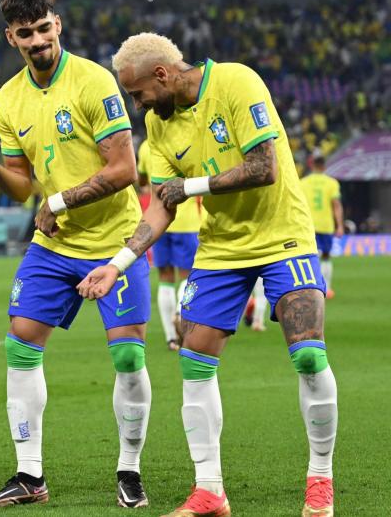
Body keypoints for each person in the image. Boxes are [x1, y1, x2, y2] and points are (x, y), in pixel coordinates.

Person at [79, 32, 336, 517]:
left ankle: (320, 481)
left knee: (306, 355)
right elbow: (161, 205)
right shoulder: (159, 127)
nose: (137, 106)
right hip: (220, 248)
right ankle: (210, 491)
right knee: (194, 357)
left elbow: (264, 167)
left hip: (284, 236)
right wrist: (117, 264)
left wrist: (189, 185)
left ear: (161, 74)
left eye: (137, 94)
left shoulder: (237, 82)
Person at [0, 0, 152, 509]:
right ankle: (29, 474)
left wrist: (60, 200)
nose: (38, 40)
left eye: (44, 29)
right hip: (55, 244)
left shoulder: (94, 82)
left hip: (115, 240)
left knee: (129, 356)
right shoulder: (8, 99)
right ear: (11, 38)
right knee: (20, 343)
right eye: (26, 34)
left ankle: (129, 469)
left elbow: (124, 170)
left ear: (57, 24)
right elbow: (21, 186)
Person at [138, 139, 203, 350]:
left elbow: (141, 180)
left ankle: (171, 338)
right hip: (187, 221)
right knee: (186, 275)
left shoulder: (147, 147)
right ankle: (179, 312)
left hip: (159, 220)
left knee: (165, 279)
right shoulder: (188, 140)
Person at [300, 155, 343, 299]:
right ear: (324, 167)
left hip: (307, 225)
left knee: (309, 257)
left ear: (312, 166)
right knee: (326, 257)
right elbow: (336, 205)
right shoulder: (332, 183)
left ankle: (311, 287)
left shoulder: (303, 182)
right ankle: (327, 289)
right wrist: (340, 225)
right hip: (326, 225)